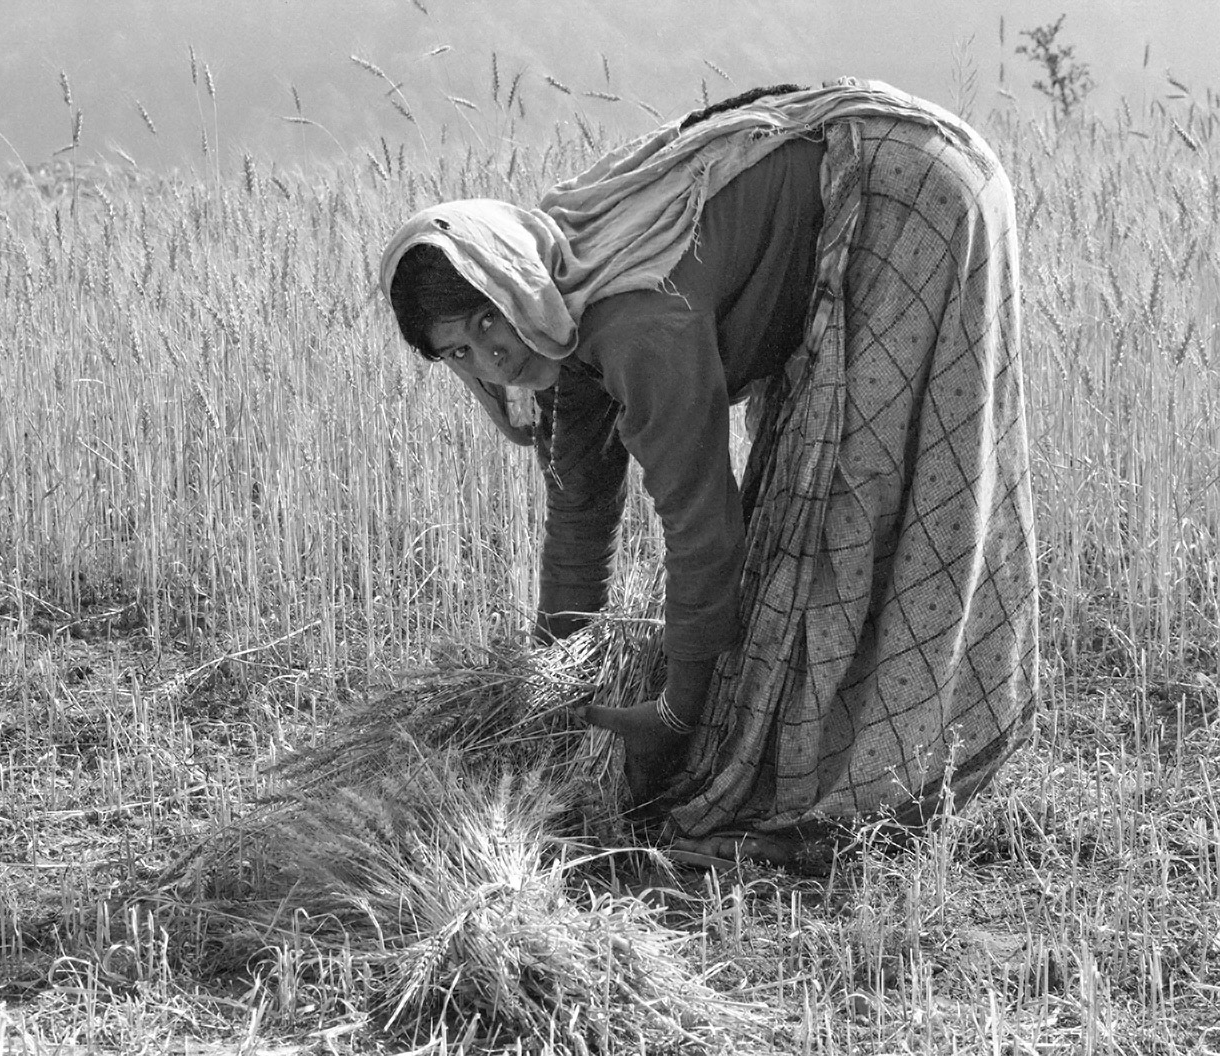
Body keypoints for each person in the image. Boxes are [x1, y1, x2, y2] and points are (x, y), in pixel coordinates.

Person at [379, 80, 1039, 867]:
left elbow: (703, 529)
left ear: (509, 281)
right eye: (458, 350)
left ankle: (875, 790)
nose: (492, 358)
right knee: (808, 527)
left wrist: (678, 713)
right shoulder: (554, 305)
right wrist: (552, 690)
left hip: (906, 196)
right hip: (870, 174)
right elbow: (580, 510)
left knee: (848, 508)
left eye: (487, 320)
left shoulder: (630, 324)